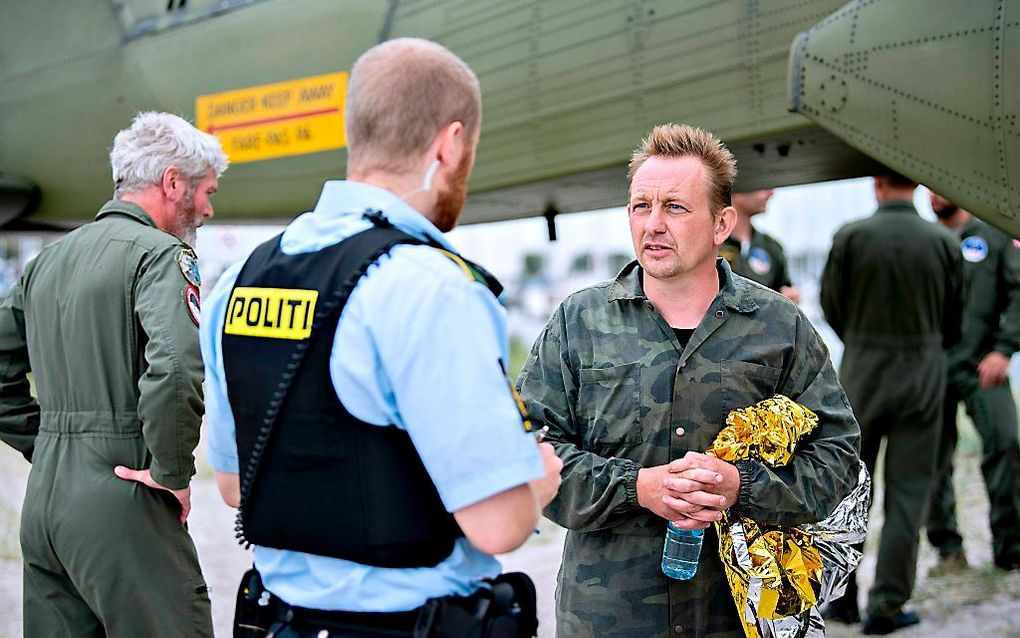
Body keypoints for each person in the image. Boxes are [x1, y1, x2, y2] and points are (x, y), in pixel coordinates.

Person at [200, 38, 562, 638]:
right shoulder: (429, 286)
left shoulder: (241, 279)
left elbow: (237, 487)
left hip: (281, 623)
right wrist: (539, 479)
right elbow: (498, 526)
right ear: (449, 145)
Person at [516, 123, 861, 638]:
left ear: (722, 223)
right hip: (608, 617)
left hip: (736, 615)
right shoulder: (578, 323)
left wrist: (741, 486)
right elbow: (527, 453)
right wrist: (639, 488)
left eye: (675, 207)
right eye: (640, 206)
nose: (653, 224)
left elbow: (837, 460)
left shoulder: (778, 326)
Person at [0, 111, 226, 637]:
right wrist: (171, 473)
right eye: (206, 191)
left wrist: (52, 445)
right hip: (124, 497)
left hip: (45, 505)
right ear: (173, 182)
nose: (209, 208)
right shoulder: (161, 255)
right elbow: (174, 365)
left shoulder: (46, 262)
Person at [820, 172, 964, 634]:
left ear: (877, 184)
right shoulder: (942, 242)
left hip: (862, 375)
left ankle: (841, 599)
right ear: (919, 187)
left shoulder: (851, 237)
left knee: (850, 494)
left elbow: (831, 304)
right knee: (908, 494)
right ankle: (887, 605)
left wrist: (862, 342)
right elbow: (955, 317)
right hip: (923, 376)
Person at [926, 192, 1020, 573]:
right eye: (926, 189)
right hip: (931, 369)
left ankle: (1011, 548)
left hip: (984, 364)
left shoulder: (993, 237)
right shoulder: (924, 239)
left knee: (1006, 444)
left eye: (939, 186)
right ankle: (948, 549)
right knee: (932, 461)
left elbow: (1017, 293)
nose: (934, 195)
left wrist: (1005, 349)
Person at [719, 188, 801, 302]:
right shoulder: (708, 245)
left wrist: (789, 298)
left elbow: (784, 290)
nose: (771, 193)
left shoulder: (772, 248)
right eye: (762, 186)